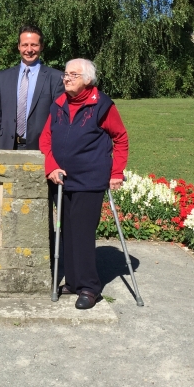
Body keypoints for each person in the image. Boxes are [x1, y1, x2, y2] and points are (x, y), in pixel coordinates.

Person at [39, 58, 129, 309]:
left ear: (87, 79)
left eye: (73, 75)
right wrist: (51, 167)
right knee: (67, 231)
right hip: (62, 179)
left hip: (89, 179)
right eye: (66, 74)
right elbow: (45, 140)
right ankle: (74, 281)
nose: (66, 78)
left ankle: (90, 287)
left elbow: (120, 138)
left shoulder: (102, 105)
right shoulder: (58, 104)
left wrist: (117, 172)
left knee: (82, 231)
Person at [0, 25, 64, 150]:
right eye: (25, 45)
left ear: (42, 46)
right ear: (18, 46)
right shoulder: (4, 76)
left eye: (34, 45)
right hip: (7, 147)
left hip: (40, 149)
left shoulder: (55, 78)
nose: (29, 49)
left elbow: (60, 119)